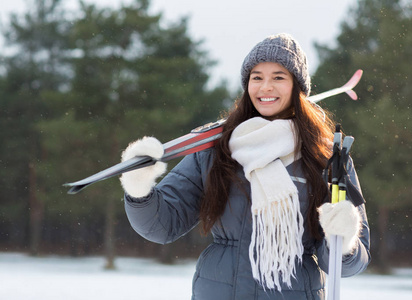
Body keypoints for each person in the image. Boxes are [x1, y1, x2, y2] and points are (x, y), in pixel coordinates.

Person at [120, 33, 370, 300]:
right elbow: (163, 225)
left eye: (278, 77)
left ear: (297, 87)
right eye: (257, 77)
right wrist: (140, 189)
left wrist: (344, 242)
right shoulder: (217, 149)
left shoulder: (324, 156)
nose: (266, 87)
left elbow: (350, 264)